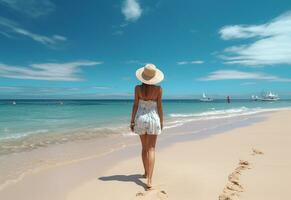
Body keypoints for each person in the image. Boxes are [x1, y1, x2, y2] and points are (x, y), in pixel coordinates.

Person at [130, 63, 164, 189]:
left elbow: (135, 105)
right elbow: (159, 106)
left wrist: (132, 121)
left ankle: (145, 172)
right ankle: (149, 179)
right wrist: (162, 121)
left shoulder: (137, 89)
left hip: (140, 119)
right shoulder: (158, 89)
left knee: (144, 148)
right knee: (152, 149)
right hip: (153, 119)